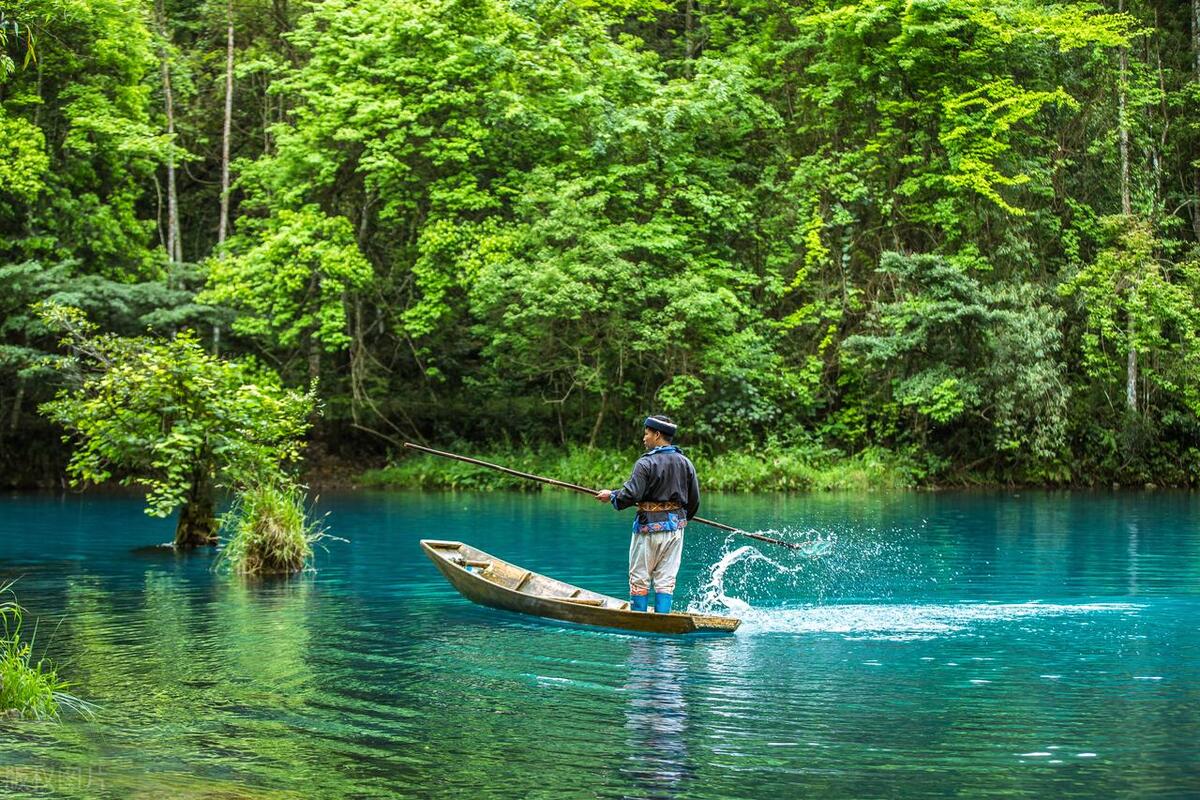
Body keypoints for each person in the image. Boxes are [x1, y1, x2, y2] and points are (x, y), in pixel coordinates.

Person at [596, 415, 700, 613]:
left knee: (639, 578)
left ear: (657, 434)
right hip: (675, 532)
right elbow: (694, 502)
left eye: (646, 434)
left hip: (647, 530)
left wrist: (611, 496)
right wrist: (679, 521)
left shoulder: (645, 463)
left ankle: (640, 624)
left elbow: (631, 494)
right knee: (666, 580)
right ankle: (662, 623)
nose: (644, 438)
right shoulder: (686, 463)